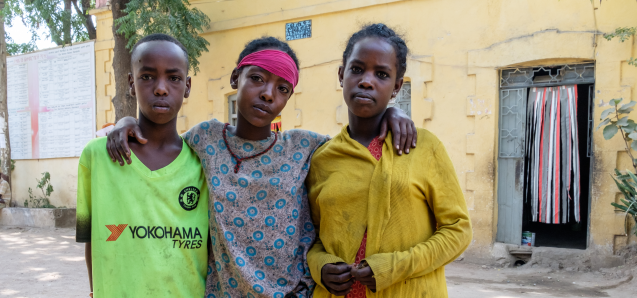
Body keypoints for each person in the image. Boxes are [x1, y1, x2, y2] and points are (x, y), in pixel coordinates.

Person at [105, 36, 418, 298]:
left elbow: (355, 140)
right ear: (235, 79)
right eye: (256, 79)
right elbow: (163, 139)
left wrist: (391, 114)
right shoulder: (206, 139)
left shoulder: (305, 148)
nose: (268, 94)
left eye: (282, 88)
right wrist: (127, 120)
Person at [306, 24, 472, 298]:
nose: (367, 81)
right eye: (357, 69)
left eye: (381, 74)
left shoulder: (424, 147)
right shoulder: (323, 159)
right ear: (341, 74)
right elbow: (312, 237)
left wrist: (393, 267)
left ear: (396, 87)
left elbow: (458, 230)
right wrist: (320, 266)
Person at [75, 33, 209, 297]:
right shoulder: (97, 157)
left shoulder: (205, 162)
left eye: (174, 78)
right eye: (147, 76)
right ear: (131, 83)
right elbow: (93, 239)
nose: (161, 88)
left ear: (188, 85)